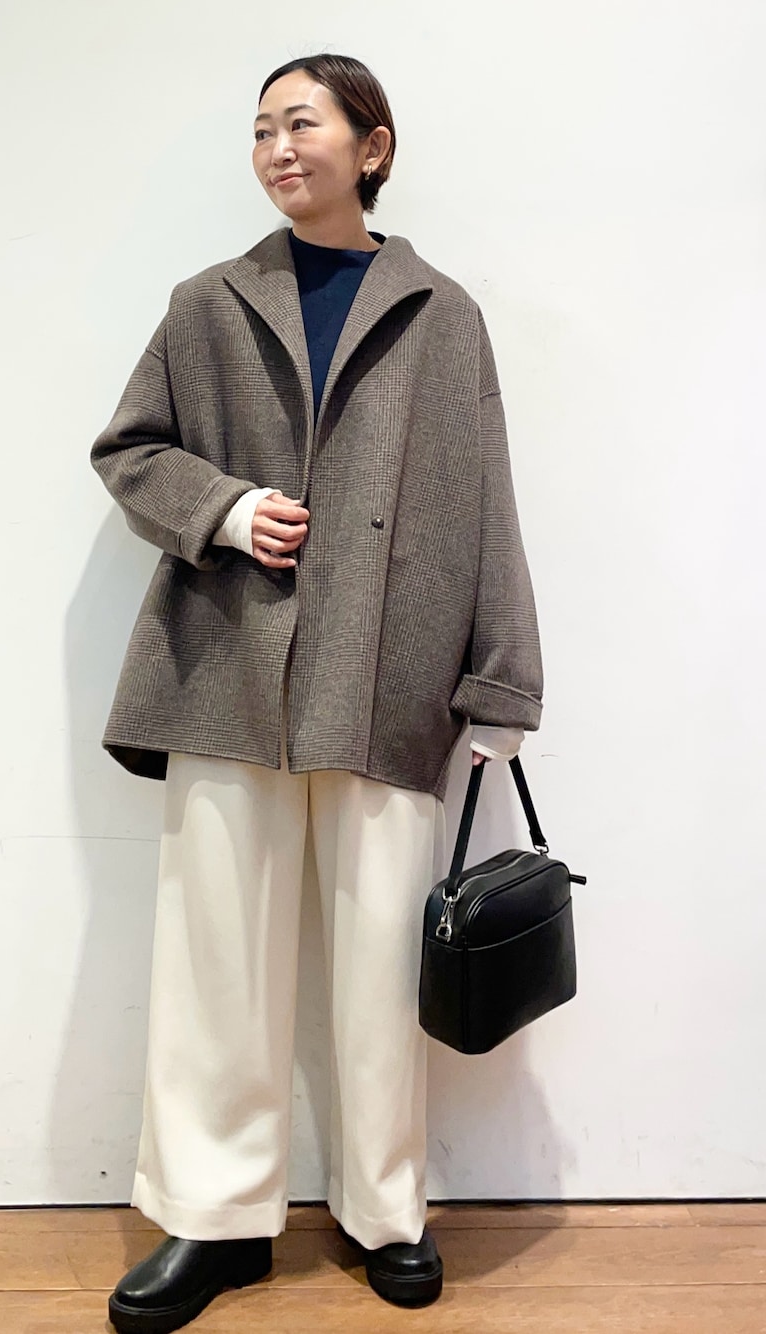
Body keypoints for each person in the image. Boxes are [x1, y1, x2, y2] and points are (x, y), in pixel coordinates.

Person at [91, 52, 543, 1334]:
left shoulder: (442, 314)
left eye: (301, 123)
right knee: (216, 958)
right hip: (228, 662)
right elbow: (129, 448)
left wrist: (501, 679)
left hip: (389, 668)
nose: (278, 148)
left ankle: (383, 1208)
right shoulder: (206, 304)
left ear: (371, 145)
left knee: (380, 956)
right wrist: (226, 509)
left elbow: (485, 501)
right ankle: (214, 1217)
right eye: (260, 131)